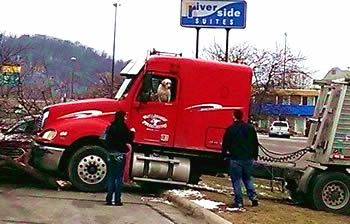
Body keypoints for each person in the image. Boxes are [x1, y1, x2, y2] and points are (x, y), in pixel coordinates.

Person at [222, 109, 259, 212]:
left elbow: (225, 144)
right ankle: (253, 197)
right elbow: (255, 143)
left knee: (236, 180)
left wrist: (224, 155)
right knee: (247, 178)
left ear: (234, 116)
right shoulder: (250, 128)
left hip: (236, 158)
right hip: (248, 158)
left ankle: (239, 201)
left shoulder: (231, 129)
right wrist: (255, 156)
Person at [105, 111, 134, 206]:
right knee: (118, 177)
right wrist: (132, 133)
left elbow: (104, 139)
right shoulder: (124, 128)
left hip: (110, 154)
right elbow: (129, 140)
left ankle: (109, 199)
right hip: (120, 155)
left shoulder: (110, 127)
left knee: (111, 177)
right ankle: (117, 200)